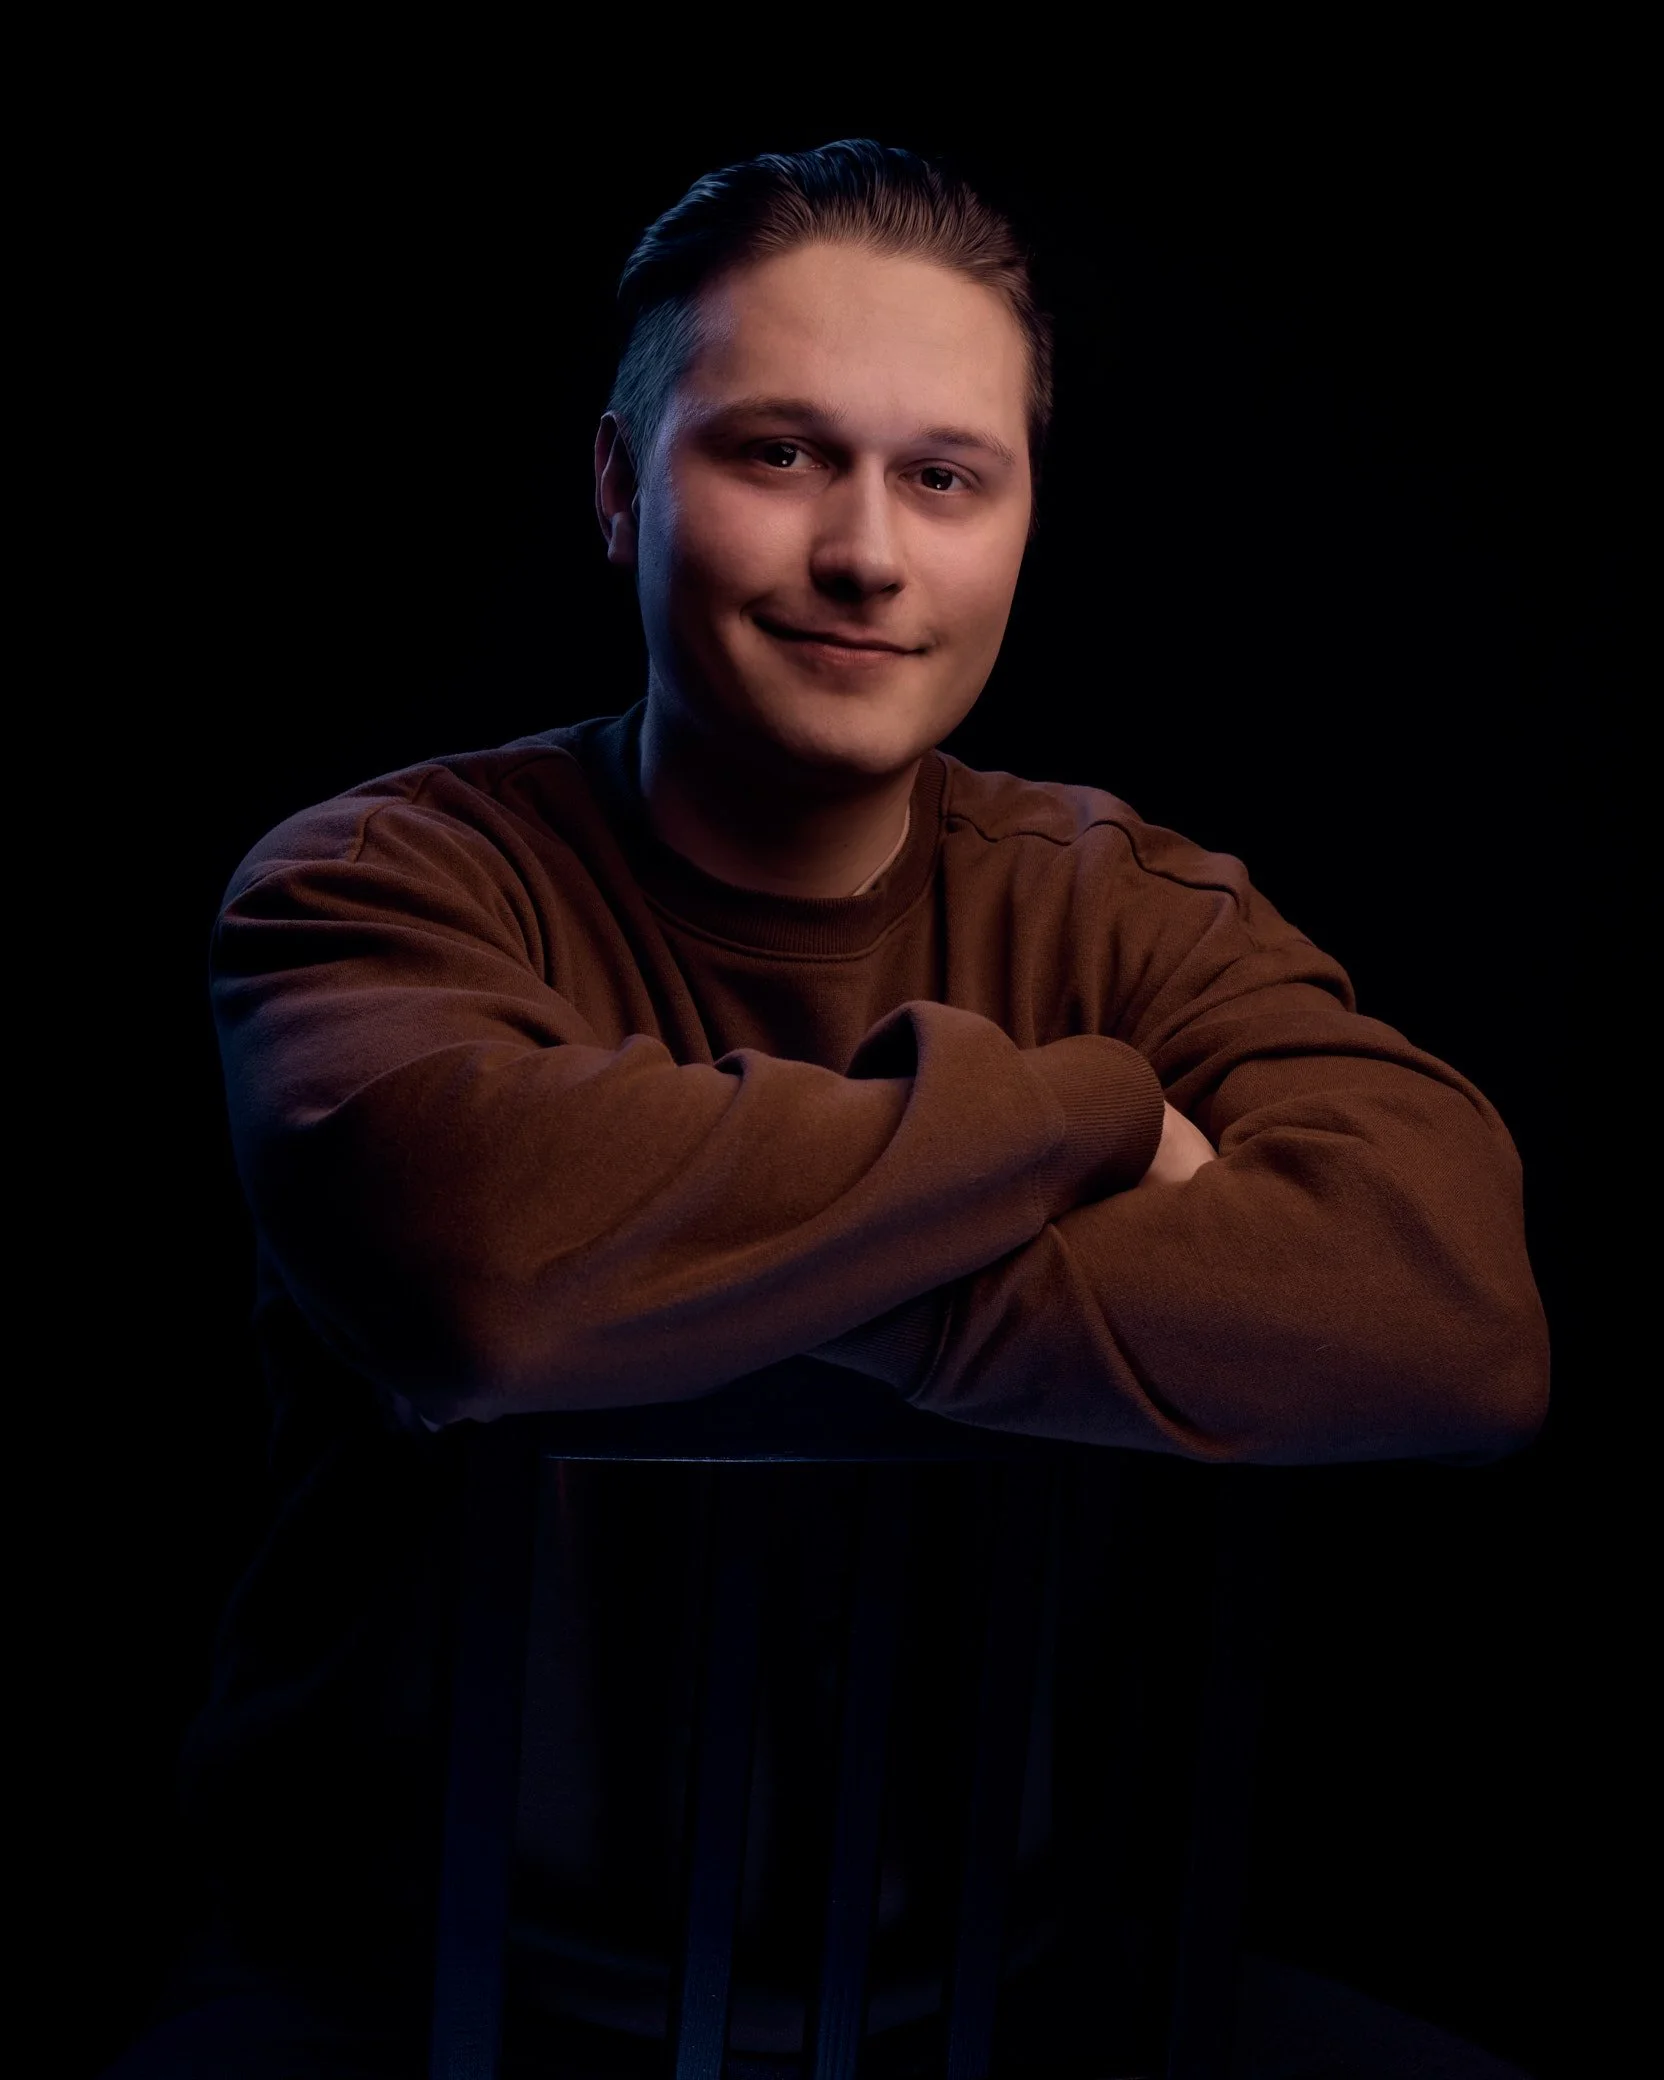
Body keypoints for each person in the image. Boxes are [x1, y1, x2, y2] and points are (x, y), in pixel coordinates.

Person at [108, 140, 1548, 2078]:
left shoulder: (1134, 914)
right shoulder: (380, 887)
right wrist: (1089, 1117)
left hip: (1029, 2001)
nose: (866, 552)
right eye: (780, 453)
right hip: (404, 1997)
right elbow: (485, 1268)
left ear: (1019, 523)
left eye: (945, 477)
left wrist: (699, 1274)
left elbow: (1451, 1314)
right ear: (619, 488)